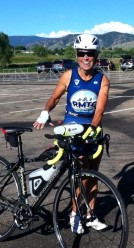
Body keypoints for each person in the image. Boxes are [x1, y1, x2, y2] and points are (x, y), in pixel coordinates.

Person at [33, 33, 110, 234]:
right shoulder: (68, 76)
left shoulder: (102, 79)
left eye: (90, 53)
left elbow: (100, 109)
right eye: (82, 53)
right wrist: (44, 112)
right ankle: (75, 215)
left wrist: (93, 128)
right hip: (72, 131)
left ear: (96, 55)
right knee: (82, 176)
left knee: (93, 175)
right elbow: (55, 97)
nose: (86, 57)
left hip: (93, 131)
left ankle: (90, 215)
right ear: (77, 55)